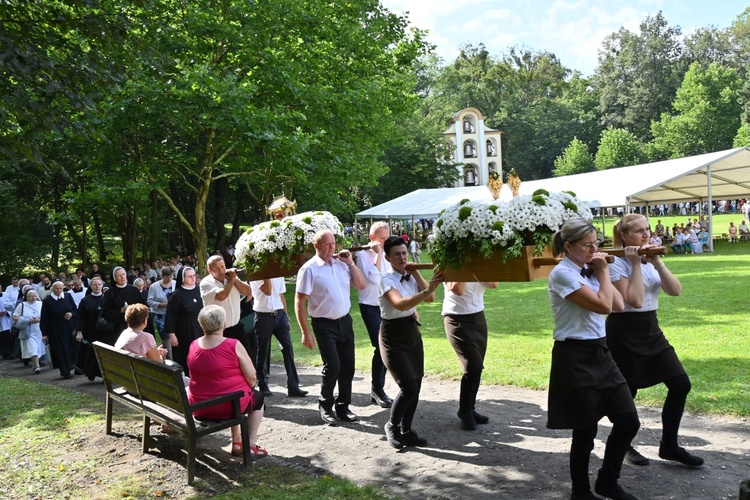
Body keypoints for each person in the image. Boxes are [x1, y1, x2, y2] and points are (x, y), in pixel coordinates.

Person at [547, 217, 640, 500]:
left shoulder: (588, 269)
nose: (593, 250)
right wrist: (602, 271)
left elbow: (620, 303)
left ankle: (607, 482)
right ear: (568, 246)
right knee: (585, 431)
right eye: (587, 246)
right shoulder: (562, 274)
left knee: (628, 421)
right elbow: (604, 307)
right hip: (574, 355)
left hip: (601, 351)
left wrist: (599, 271)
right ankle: (580, 491)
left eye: (596, 244)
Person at [608, 214, 704, 469]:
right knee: (627, 393)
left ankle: (669, 445)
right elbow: (634, 300)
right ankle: (623, 444)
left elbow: (675, 290)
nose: (646, 234)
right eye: (639, 231)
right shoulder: (615, 263)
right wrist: (635, 264)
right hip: (623, 332)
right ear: (624, 236)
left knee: (680, 384)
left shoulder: (650, 258)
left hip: (651, 329)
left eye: (647, 229)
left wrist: (657, 261)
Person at [295, 229, 366, 425]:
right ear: (316, 246)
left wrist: (350, 262)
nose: (331, 247)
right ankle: (325, 405)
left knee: (348, 365)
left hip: (345, 321)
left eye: (333, 243)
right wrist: (305, 332)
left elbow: (361, 285)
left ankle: (343, 406)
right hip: (324, 324)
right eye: (327, 244)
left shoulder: (341, 265)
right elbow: (299, 301)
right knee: (333, 365)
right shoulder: (309, 269)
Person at [379, 236, 442, 448]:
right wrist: (427, 290)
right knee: (408, 387)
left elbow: (431, 299)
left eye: (404, 253)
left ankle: (407, 430)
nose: (403, 257)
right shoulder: (386, 279)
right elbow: (400, 304)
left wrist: (415, 272)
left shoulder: (410, 275)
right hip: (392, 335)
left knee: (416, 383)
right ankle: (392, 425)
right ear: (388, 257)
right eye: (397, 254)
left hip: (411, 333)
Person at [188, 304, 267, 457]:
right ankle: (250, 445)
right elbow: (251, 376)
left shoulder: (193, 345)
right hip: (227, 406)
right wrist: (249, 387)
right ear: (224, 324)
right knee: (256, 398)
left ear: (201, 324)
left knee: (233, 393)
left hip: (199, 406)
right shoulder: (233, 345)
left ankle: (237, 441)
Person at [442, 280, 498, 430]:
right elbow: (457, 289)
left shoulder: (478, 264)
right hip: (456, 319)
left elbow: (493, 284)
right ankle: (464, 410)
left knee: (477, 366)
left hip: (478, 318)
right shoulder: (450, 263)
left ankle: (469, 408)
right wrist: (465, 266)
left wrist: (481, 266)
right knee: (472, 364)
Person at [356, 221, 393, 408]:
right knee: (380, 346)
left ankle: (378, 388)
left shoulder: (386, 255)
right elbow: (374, 278)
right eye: (381, 238)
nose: (385, 242)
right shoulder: (364, 255)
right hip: (369, 306)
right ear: (372, 238)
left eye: (387, 238)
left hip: (385, 306)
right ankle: (377, 389)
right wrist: (377, 254)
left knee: (386, 347)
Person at [250, 277, 307, 398]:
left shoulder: (278, 274)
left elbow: (281, 295)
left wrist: (286, 317)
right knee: (263, 352)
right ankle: (263, 385)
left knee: (288, 348)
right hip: (263, 316)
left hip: (279, 315)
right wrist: (267, 275)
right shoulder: (256, 275)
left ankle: (293, 386)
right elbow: (267, 290)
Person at [200, 255, 255, 365]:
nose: (221, 270)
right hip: (218, 332)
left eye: (223, 266)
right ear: (209, 270)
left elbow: (247, 292)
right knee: (225, 363)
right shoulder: (206, 283)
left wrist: (234, 280)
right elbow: (222, 295)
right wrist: (232, 280)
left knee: (247, 360)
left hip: (237, 327)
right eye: (217, 268)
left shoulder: (231, 278)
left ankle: (250, 382)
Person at [164, 266, 203, 375]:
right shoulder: (176, 295)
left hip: (200, 328)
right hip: (184, 331)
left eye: (194, 275)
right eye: (189, 276)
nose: (193, 278)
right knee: (186, 355)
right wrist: (172, 334)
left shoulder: (199, 289)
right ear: (182, 278)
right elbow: (170, 316)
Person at [40, 281, 79, 379]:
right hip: (55, 329)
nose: (58, 290)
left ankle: (70, 367)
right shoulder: (47, 300)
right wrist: (44, 333)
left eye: (60, 288)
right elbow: (44, 318)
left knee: (70, 347)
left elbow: (75, 309)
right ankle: (64, 370)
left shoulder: (68, 296)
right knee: (60, 349)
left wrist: (71, 314)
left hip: (68, 327)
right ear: (53, 289)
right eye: (56, 288)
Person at [100, 267, 144, 345]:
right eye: (119, 276)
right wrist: (120, 311)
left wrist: (133, 309)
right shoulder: (110, 293)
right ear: (114, 278)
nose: (122, 277)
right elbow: (105, 313)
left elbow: (143, 306)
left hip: (134, 327)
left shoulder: (134, 290)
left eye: (123, 274)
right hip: (117, 329)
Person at [74, 277, 106, 380]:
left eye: (99, 284)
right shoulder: (85, 300)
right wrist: (79, 332)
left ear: (102, 285)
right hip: (90, 331)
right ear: (91, 286)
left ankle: (105, 375)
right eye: (95, 284)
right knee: (92, 353)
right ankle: (91, 373)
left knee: (104, 353)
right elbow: (81, 317)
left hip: (104, 331)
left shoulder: (107, 298)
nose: (97, 286)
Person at [12, 289, 44, 374]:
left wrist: (38, 320)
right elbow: (14, 316)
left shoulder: (40, 304)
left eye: (34, 296)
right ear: (26, 297)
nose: (32, 298)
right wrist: (26, 320)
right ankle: (37, 366)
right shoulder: (22, 305)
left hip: (39, 330)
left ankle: (35, 364)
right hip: (28, 330)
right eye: (30, 296)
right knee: (32, 347)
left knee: (38, 348)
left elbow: (46, 316)